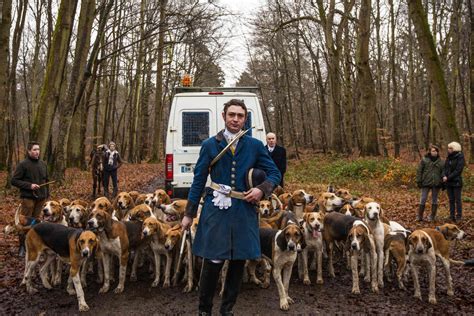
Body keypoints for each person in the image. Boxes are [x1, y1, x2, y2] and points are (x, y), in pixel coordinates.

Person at [181, 99, 281, 315]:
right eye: (231, 115)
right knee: (213, 260)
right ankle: (204, 310)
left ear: (245, 119)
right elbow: (198, 180)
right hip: (216, 210)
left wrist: (261, 190)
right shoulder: (210, 145)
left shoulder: (254, 145)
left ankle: (227, 311)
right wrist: (189, 213)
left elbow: (275, 173)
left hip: (244, 210)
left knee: (238, 262)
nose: (235, 119)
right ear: (224, 116)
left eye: (240, 116)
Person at [11, 141, 50, 256]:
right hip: (28, 198)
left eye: (38, 149)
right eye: (34, 149)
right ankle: (22, 247)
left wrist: (47, 194)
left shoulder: (43, 164)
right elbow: (14, 181)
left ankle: (33, 245)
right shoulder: (23, 165)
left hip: (41, 198)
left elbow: (46, 180)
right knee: (25, 223)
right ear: (29, 151)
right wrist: (29, 186)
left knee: (36, 222)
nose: (37, 152)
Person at [416, 145, 444, 222]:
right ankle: (419, 216)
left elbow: (443, 172)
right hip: (426, 182)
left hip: (436, 183)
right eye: (433, 151)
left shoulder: (441, 161)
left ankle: (432, 216)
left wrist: (442, 182)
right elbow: (419, 171)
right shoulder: (424, 160)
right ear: (430, 152)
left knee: (434, 200)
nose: (435, 152)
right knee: (423, 199)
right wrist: (419, 181)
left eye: (436, 151)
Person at [443, 141, 465, 222]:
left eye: (450, 148)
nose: (448, 149)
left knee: (457, 200)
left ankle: (459, 216)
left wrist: (448, 177)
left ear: (455, 148)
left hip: (456, 182)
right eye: (448, 148)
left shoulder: (460, 157)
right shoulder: (448, 157)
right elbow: (445, 168)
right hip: (449, 182)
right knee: (451, 200)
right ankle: (451, 216)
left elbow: (458, 170)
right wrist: (444, 175)